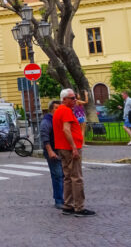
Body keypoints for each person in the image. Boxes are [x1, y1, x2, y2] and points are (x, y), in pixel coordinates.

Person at [53, 88, 95, 217]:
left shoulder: (58, 111)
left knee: (67, 177)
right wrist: (74, 147)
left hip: (62, 148)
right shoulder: (65, 111)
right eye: (72, 98)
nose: (74, 100)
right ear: (64, 99)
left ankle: (68, 205)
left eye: (74, 98)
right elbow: (66, 130)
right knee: (76, 177)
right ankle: (79, 207)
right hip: (70, 148)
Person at [40, 100, 64, 209]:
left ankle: (63, 198)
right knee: (57, 176)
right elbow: (45, 137)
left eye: (60, 108)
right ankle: (59, 200)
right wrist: (50, 151)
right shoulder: (47, 121)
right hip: (53, 151)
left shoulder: (58, 119)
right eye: (56, 108)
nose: (58, 110)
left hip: (61, 151)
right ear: (51, 109)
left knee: (62, 175)